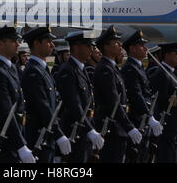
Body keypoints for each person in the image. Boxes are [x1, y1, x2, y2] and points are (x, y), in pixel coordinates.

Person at [0, 25, 35, 163]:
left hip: (15, 137)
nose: (18, 43)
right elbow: (5, 112)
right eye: (13, 40)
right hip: (4, 140)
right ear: (0, 43)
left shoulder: (10, 68)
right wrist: (20, 146)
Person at [21, 27, 71, 162]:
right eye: (48, 41)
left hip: (47, 136)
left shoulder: (42, 69)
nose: (52, 45)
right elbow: (42, 106)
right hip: (38, 136)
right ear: (37, 44)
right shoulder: (33, 71)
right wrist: (58, 133)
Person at [93, 26, 142, 163]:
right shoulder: (105, 69)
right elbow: (113, 102)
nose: (120, 45)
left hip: (117, 127)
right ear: (106, 47)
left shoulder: (112, 68)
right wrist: (129, 127)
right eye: (115, 42)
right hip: (111, 128)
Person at [56, 31, 104, 163]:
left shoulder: (81, 68)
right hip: (75, 131)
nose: (91, 50)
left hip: (84, 130)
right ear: (77, 47)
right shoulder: (68, 70)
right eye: (88, 46)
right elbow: (74, 104)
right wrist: (90, 130)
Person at [120, 31, 163, 162]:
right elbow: (135, 95)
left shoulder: (138, 67)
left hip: (143, 119)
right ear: (132, 49)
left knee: (143, 156)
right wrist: (149, 117)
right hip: (137, 119)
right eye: (141, 46)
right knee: (135, 156)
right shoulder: (130, 68)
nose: (145, 48)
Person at [150, 42, 177, 163]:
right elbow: (161, 101)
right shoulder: (162, 74)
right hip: (167, 127)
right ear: (167, 54)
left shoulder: (172, 74)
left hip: (174, 127)